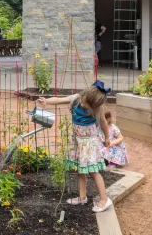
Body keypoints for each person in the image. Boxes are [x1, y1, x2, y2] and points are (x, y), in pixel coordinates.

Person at [38, 80, 113, 213]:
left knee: (93, 172)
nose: (83, 104)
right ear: (84, 95)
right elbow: (59, 100)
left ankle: (104, 199)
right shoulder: (76, 99)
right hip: (77, 141)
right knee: (80, 170)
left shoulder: (98, 108)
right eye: (84, 101)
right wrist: (46, 101)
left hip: (89, 143)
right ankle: (82, 196)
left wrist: (107, 137)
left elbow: (103, 123)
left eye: (87, 105)